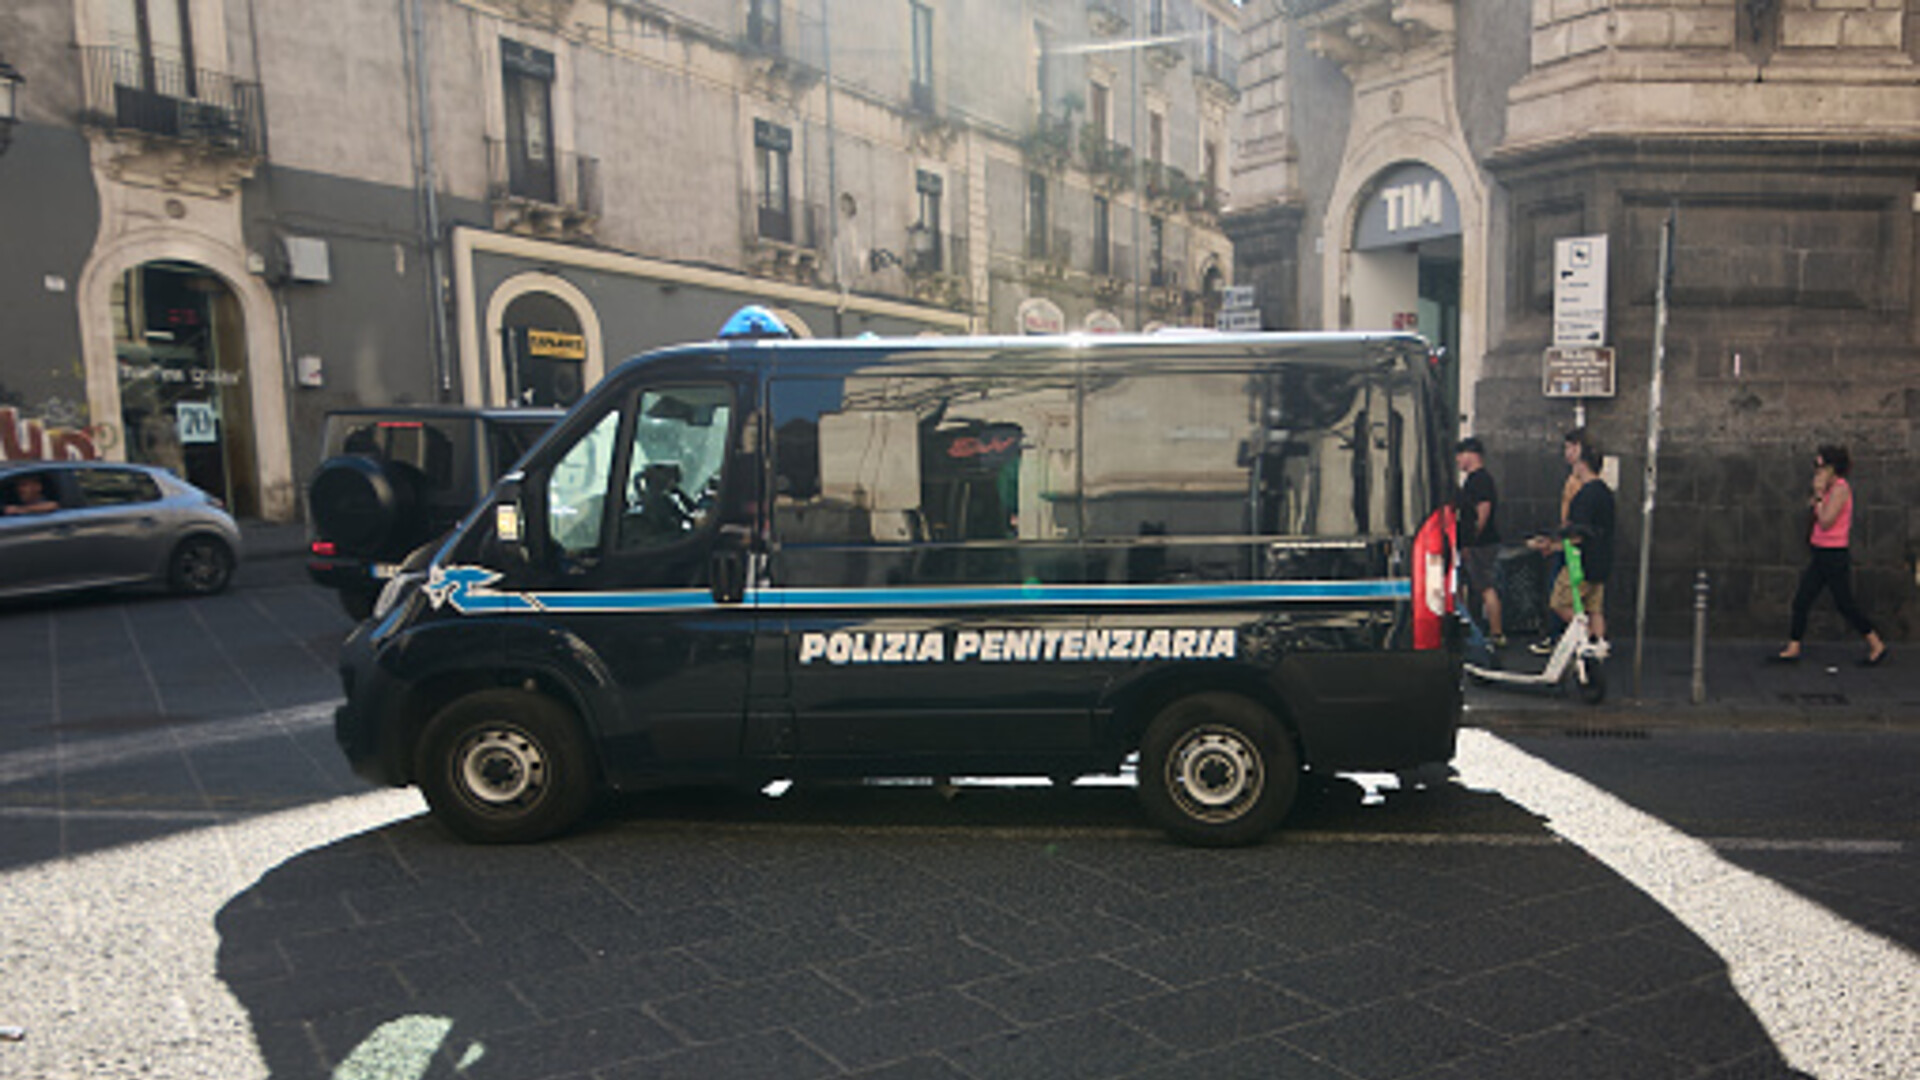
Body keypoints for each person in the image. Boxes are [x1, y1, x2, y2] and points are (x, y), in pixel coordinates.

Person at [1771, 445, 1887, 666]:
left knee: (1845, 604)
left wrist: (1819, 495)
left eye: (1821, 466)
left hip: (1833, 554)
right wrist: (1818, 496)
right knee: (1802, 599)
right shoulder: (1829, 489)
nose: (1817, 471)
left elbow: (1826, 521)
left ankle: (1876, 644)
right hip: (1820, 552)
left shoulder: (1840, 490)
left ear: (1832, 468)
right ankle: (1794, 646)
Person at [1531, 443, 1612, 652]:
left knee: (1559, 602)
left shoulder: (1585, 496)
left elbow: (1578, 533)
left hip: (1581, 562)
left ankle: (1587, 639)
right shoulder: (1605, 492)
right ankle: (1600, 647)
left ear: (1582, 464)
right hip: (1602, 559)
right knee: (1594, 608)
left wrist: (1552, 545)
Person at [1454, 436, 1503, 647]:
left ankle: (1496, 633)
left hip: (1481, 545)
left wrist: (1472, 540)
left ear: (1471, 455)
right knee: (1468, 586)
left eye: (1460, 455)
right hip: (1475, 544)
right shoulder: (1474, 480)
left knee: (1485, 587)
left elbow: (1483, 511)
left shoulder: (1480, 480)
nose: (1457, 460)